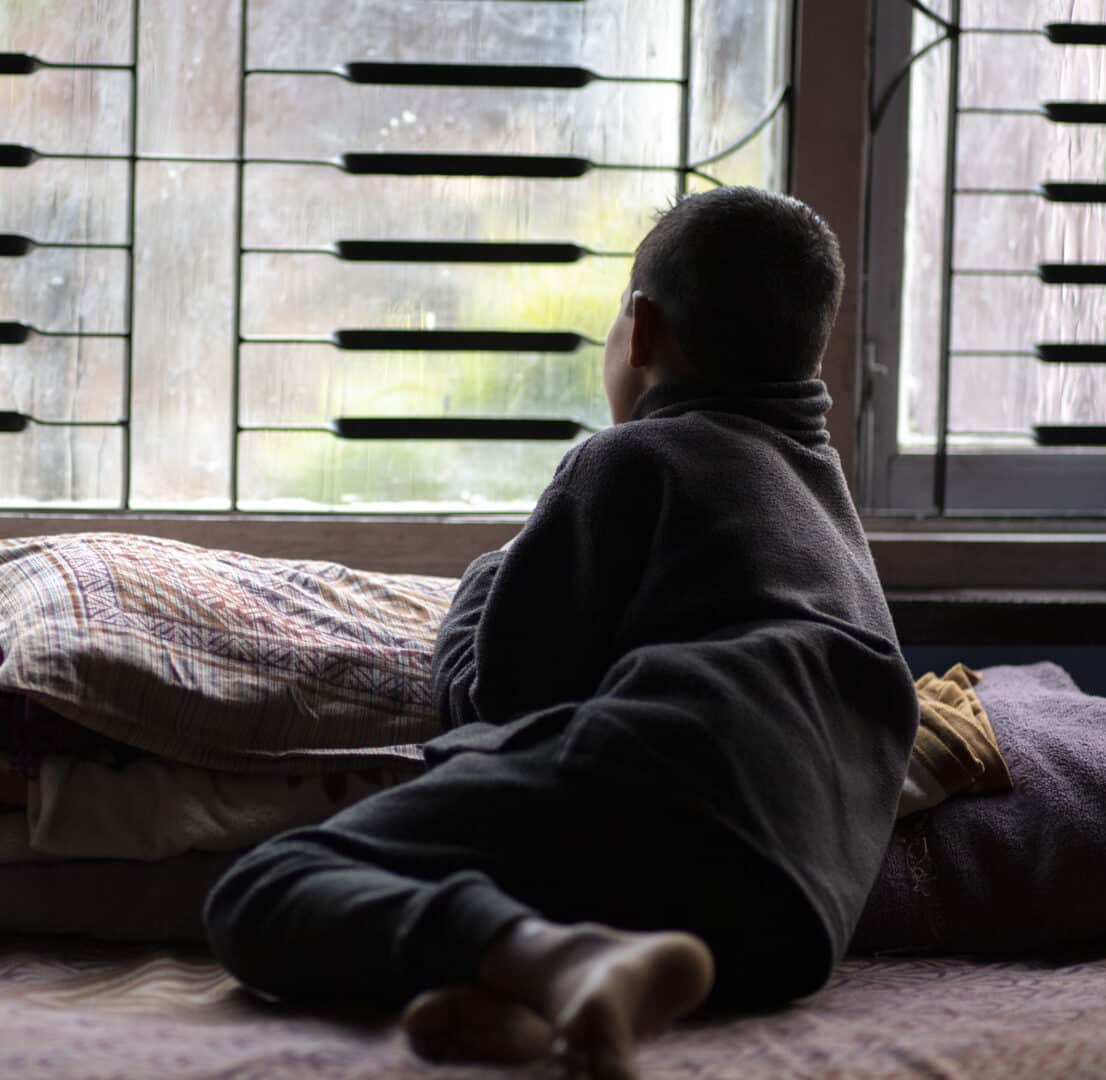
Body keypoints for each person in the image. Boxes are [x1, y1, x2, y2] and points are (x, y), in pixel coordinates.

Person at [201, 187, 920, 1079]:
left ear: (642, 331)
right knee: (570, 860)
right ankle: (571, 988)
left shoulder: (628, 459)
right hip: (794, 913)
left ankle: (555, 960)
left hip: (667, 766)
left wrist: (485, 575)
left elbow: (489, 701)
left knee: (264, 892)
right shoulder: (829, 506)